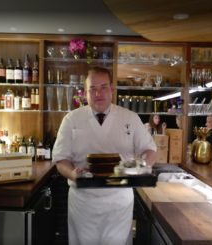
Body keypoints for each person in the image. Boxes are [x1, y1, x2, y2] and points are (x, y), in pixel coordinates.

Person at [52, 66, 157, 245]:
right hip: (83, 203)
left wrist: (141, 166)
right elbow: (61, 160)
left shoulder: (130, 118)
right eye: (92, 89)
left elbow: (150, 150)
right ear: (85, 93)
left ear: (112, 90)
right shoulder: (71, 119)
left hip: (119, 201)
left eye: (103, 87)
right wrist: (72, 174)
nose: (98, 93)